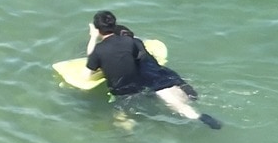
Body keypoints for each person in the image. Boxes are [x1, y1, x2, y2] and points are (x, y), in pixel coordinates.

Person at [85, 11, 221, 129]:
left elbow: (90, 71)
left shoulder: (98, 50)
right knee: (175, 103)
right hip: (148, 80)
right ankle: (197, 116)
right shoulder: (131, 42)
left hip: (124, 91)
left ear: (98, 30)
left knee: (122, 116)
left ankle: (129, 133)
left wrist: (93, 38)